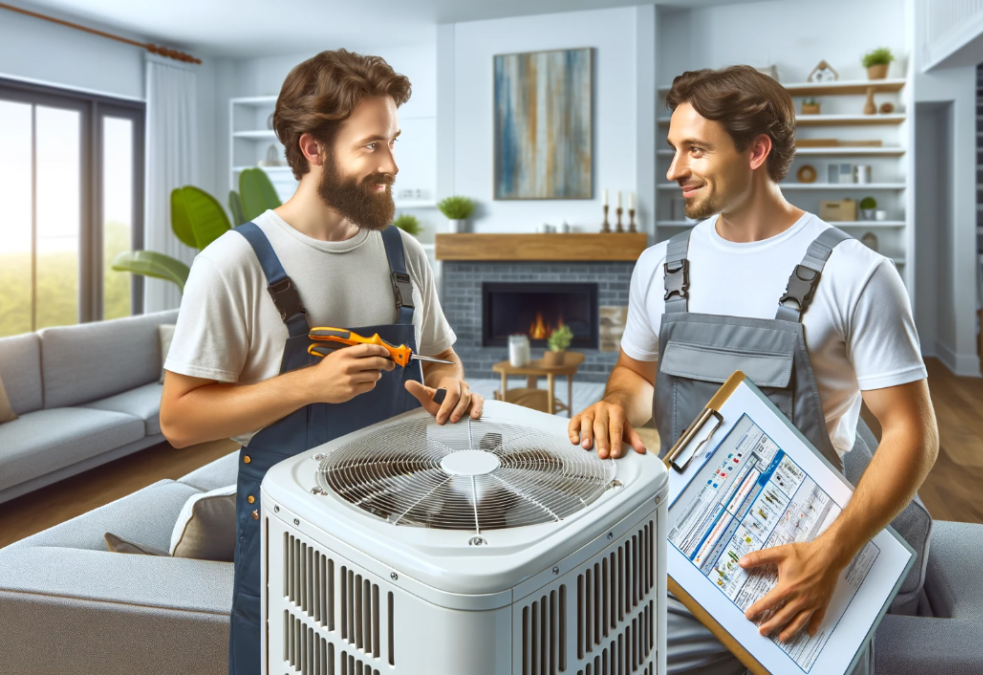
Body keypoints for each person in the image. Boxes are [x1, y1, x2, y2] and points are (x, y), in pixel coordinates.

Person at [568, 66, 939, 675]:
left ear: (757, 150)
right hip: (678, 534)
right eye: (673, 149)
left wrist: (830, 556)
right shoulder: (660, 267)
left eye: (695, 150)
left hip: (807, 545)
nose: (673, 171)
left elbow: (912, 434)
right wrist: (613, 404)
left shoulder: (856, 273)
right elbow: (635, 376)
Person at [159, 49, 482, 675]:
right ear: (313, 149)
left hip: (407, 511)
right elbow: (179, 420)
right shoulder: (234, 264)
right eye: (371, 147)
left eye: (392, 142)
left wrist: (452, 389)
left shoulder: (403, 251)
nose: (390, 165)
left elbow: (441, 359)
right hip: (293, 528)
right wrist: (308, 385)